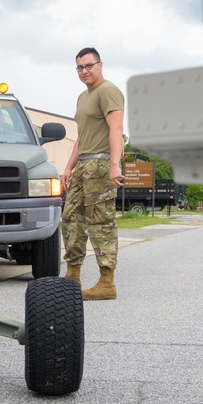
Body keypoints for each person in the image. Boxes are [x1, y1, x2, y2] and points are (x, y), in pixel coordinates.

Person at [60, 47, 125, 300]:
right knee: (71, 219)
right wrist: (68, 167)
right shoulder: (83, 96)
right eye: (80, 67)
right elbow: (82, 137)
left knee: (100, 222)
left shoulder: (108, 91)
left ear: (100, 65)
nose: (84, 71)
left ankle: (106, 283)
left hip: (100, 164)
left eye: (89, 65)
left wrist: (114, 164)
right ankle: (72, 275)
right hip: (83, 164)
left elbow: (116, 128)